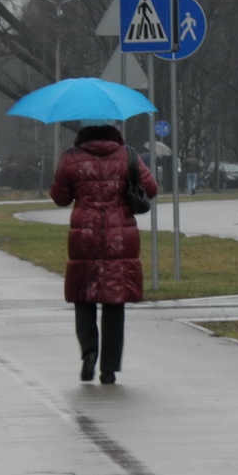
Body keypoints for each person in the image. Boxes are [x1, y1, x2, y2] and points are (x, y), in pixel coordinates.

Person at [49, 119, 158, 385]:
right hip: (119, 237)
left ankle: (89, 354)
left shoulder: (71, 158)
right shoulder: (128, 155)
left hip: (84, 235)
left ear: (82, 134)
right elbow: (150, 188)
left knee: (83, 297)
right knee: (114, 300)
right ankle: (109, 368)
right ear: (113, 132)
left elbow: (60, 197)